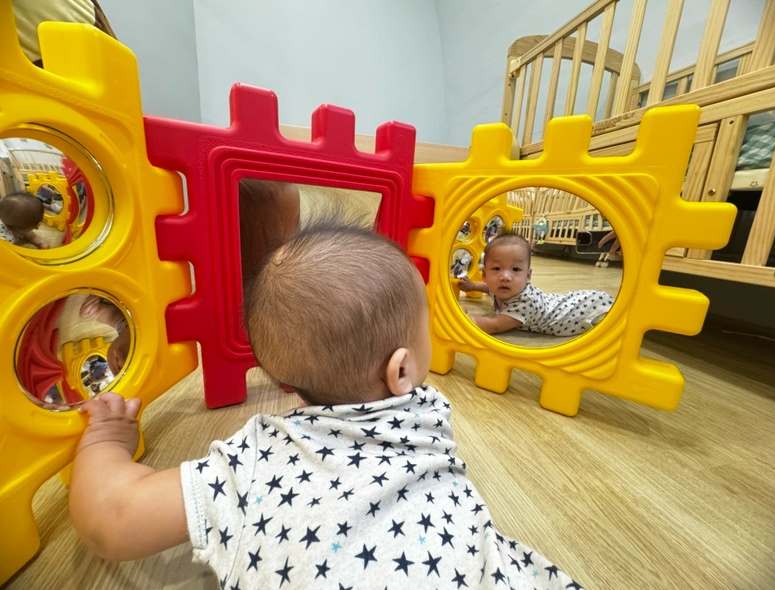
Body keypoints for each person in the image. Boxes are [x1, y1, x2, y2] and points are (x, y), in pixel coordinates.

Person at [69, 219, 582, 589]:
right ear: (402, 371)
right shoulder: (426, 416)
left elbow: (112, 520)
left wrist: (105, 439)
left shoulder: (256, 460)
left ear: (284, 377)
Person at [458, 232, 613, 336]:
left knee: (612, 325)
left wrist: (461, 317)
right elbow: (489, 289)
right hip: (565, 301)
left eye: (516, 269)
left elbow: (494, 325)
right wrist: (473, 286)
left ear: (528, 276)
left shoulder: (524, 302)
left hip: (584, 310)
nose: (505, 277)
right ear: (484, 275)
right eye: (497, 269)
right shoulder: (502, 288)